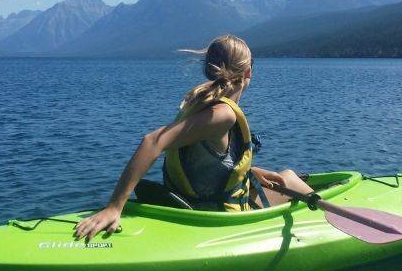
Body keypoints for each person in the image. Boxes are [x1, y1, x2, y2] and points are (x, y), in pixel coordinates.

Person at [74, 34, 313, 241]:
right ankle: (334, 231)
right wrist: (114, 208)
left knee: (280, 178)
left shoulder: (202, 102)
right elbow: (152, 142)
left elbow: (205, 164)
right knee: (289, 178)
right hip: (213, 216)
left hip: (197, 201)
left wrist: (249, 172)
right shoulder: (224, 114)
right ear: (248, 71)